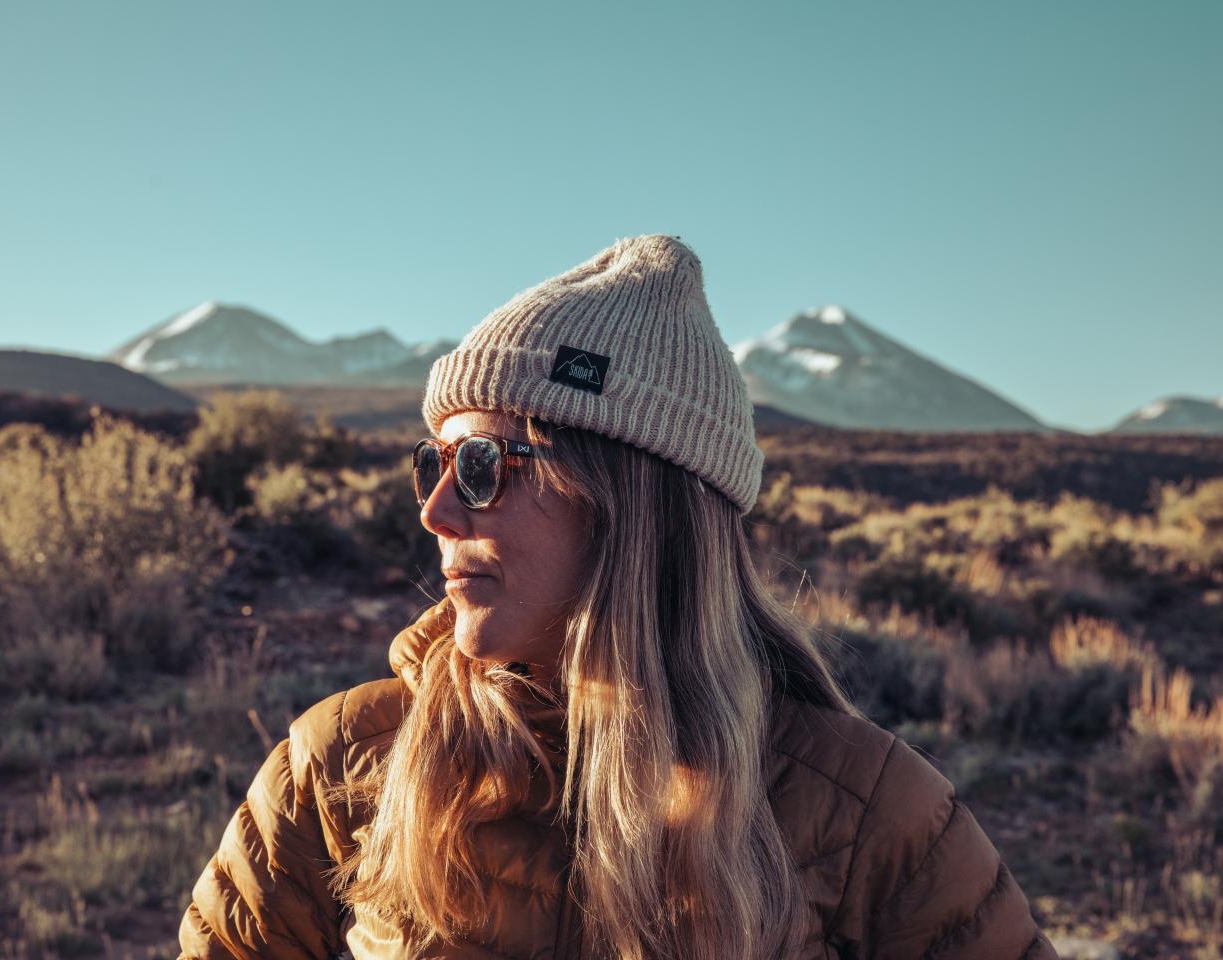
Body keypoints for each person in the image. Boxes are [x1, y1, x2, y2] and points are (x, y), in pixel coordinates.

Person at [177, 235, 1058, 960]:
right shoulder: (341, 765)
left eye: (481, 466)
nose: (435, 511)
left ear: (629, 504)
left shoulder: (870, 817)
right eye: (431, 464)